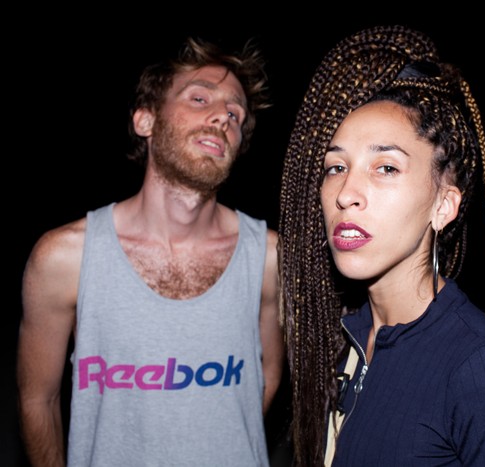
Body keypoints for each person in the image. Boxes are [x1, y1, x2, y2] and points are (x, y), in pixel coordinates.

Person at [278, 25, 485, 466]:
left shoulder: (480, 365)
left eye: (385, 167)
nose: (346, 193)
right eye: (335, 167)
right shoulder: (341, 336)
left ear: (443, 205)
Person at [17, 36, 285, 467]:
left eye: (235, 114)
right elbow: (38, 399)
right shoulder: (65, 258)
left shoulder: (270, 259)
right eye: (200, 98)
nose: (223, 116)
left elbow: (267, 375)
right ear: (146, 120)